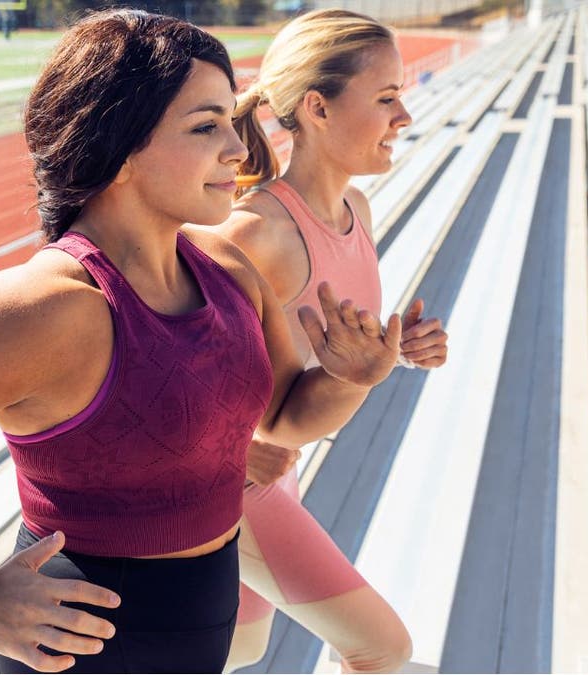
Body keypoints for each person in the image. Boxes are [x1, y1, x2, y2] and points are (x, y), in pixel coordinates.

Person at [0, 9, 410, 674]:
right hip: (80, 651)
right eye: (206, 127)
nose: (238, 148)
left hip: (200, 635)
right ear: (117, 147)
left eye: (230, 121)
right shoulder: (55, 308)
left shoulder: (230, 273)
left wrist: (353, 376)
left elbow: (288, 414)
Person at [215, 9, 450, 673]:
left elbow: (310, 358)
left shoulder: (358, 211)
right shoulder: (256, 233)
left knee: (240, 648)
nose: (404, 114)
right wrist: (230, 453)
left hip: (285, 469)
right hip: (236, 484)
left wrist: (400, 346)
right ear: (317, 107)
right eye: (386, 98)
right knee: (382, 646)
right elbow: (154, 357)